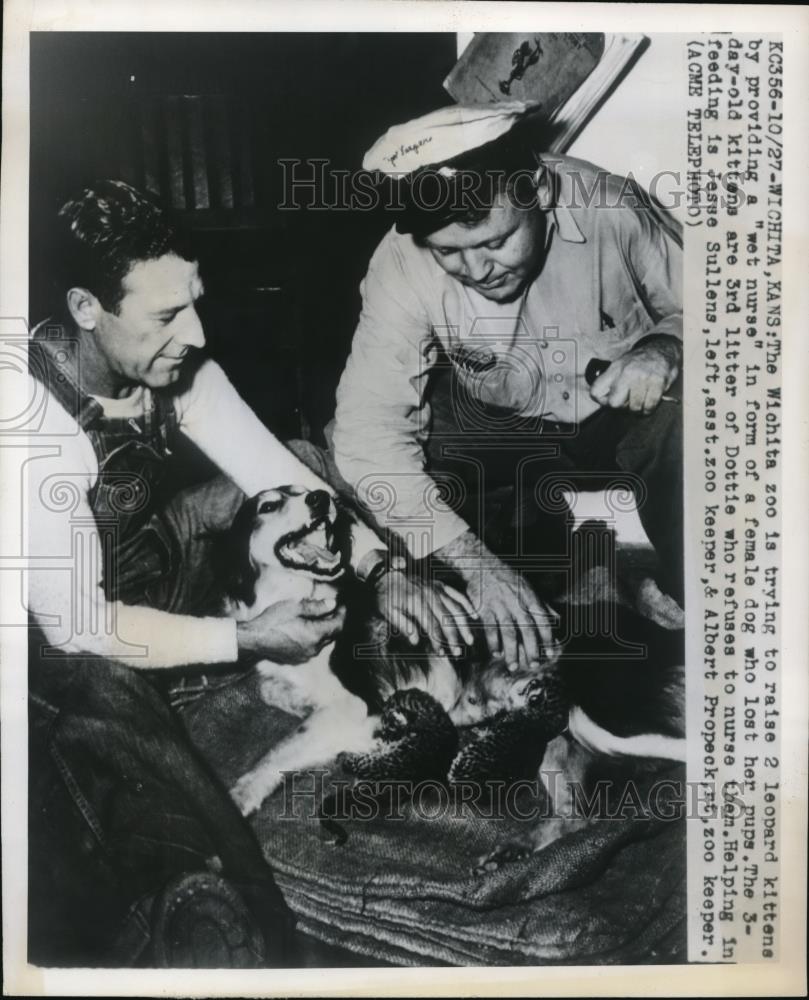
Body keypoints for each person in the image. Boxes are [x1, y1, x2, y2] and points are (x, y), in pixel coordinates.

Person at [25, 180, 473, 967]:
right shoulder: (26, 422)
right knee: (98, 684)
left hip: (131, 564)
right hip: (41, 626)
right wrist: (241, 636)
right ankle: (227, 898)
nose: (196, 334)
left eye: (194, 301)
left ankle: (216, 665)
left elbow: (274, 470)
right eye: (166, 316)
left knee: (299, 466)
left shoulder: (170, 367)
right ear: (85, 307)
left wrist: (381, 568)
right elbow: (77, 624)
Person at [333, 103, 684, 669]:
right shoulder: (400, 263)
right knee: (369, 466)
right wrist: (474, 564)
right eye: (449, 252)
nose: (476, 270)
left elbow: (739, 309)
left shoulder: (611, 206)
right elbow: (366, 428)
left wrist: (667, 345)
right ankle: (557, 573)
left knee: (696, 415)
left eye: (494, 241)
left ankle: (680, 585)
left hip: (627, 422)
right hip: (507, 429)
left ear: (539, 192)